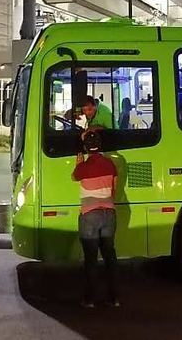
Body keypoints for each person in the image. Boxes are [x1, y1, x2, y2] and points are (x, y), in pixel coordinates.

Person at [72, 130, 119, 308]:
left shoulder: (82, 168)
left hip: (89, 215)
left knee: (91, 259)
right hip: (109, 214)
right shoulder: (110, 164)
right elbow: (114, 190)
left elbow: (74, 176)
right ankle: (114, 298)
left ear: (86, 148)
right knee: (109, 257)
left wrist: (80, 157)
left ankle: (90, 299)